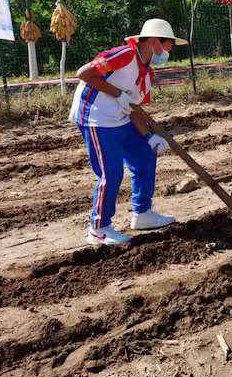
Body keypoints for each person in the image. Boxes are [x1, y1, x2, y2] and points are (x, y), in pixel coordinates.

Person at [69, 19, 187, 245]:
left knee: (144, 154)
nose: (166, 56)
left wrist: (149, 136)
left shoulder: (147, 74)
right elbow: (84, 73)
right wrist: (116, 93)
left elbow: (133, 108)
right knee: (111, 172)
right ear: (153, 42)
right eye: (165, 49)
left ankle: (142, 214)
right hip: (96, 117)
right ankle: (99, 228)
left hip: (120, 117)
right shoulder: (124, 55)